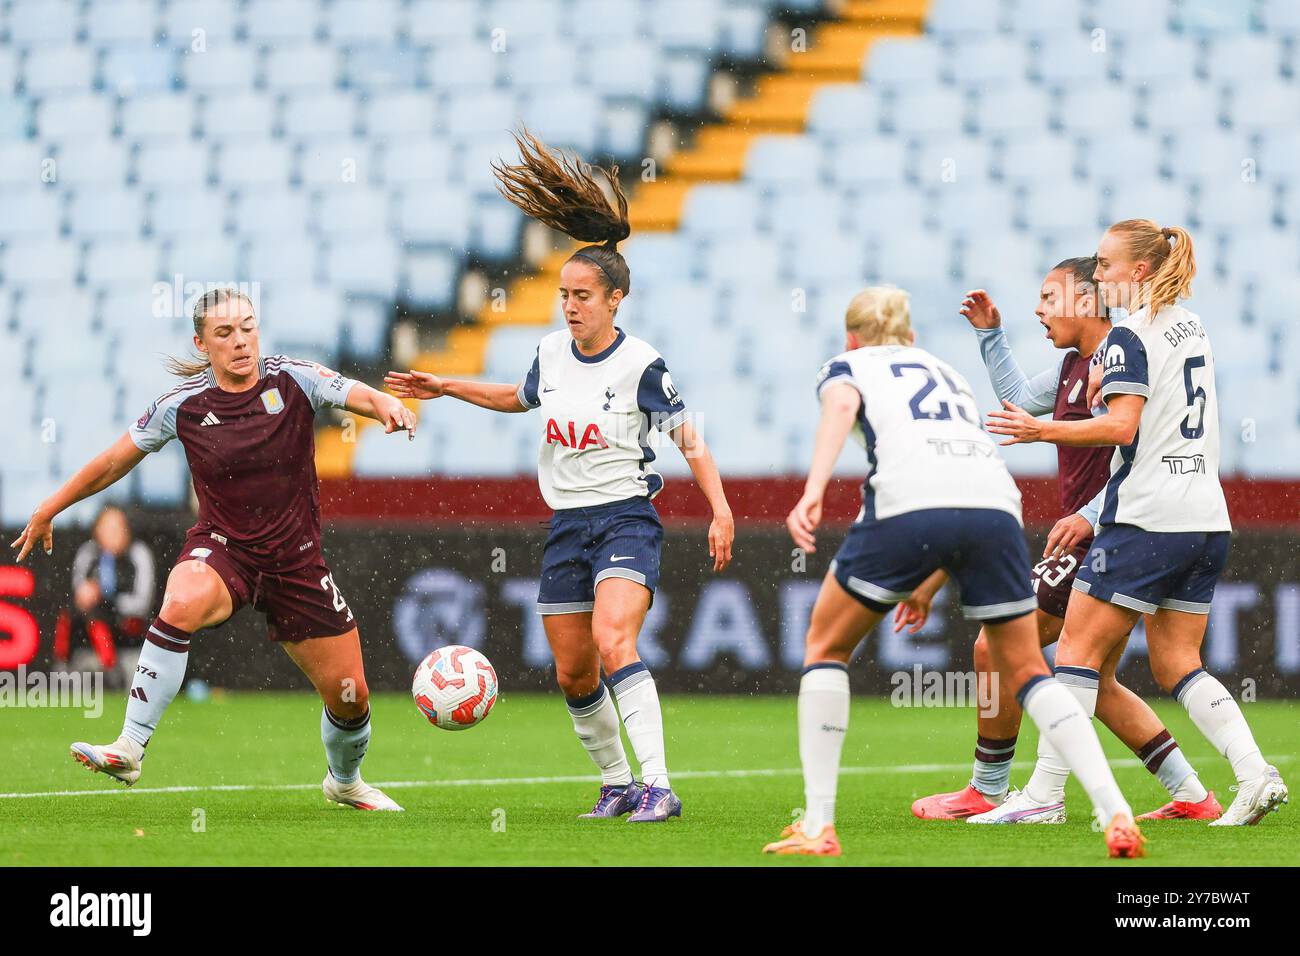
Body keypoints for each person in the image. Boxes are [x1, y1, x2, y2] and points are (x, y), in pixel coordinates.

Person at [386, 129, 734, 823]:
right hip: (567, 524)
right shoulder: (550, 352)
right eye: (565, 294)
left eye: (583, 295)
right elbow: (518, 398)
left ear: (614, 300)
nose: (570, 305)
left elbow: (688, 437)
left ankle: (659, 785)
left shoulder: (642, 365)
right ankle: (616, 784)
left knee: (614, 642)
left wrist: (720, 510)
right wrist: (447, 385)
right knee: (573, 671)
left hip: (626, 518)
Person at [762, 285, 1145, 857]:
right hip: (996, 505)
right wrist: (930, 581)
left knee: (824, 646)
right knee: (1027, 669)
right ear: (911, 338)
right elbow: (958, 480)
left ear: (852, 337)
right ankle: (1114, 810)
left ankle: (818, 826)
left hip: (909, 502)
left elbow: (843, 409)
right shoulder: (945, 371)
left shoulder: (847, 363)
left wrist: (813, 489)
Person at [11, 287, 418, 811]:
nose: (241, 341)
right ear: (202, 343)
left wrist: (387, 404)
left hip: (296, 561)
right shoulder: (180, 406)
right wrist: (50, 507)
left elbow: (353, 393)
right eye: (225, 333)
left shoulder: (292, 378)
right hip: (225, 549)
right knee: (179, 602)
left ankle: (344, 780)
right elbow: (113, 462)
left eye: (248, 327)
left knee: (350, 697)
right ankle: (130, 746)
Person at [987, 219, 1288, 827]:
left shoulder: (1128, 333)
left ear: (1140, 271)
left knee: (1073, 652)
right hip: (1206, 515)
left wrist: (1041, 429)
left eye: (1104, 265)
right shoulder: (1188, 322)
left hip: (1147, 516)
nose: (1097, 277)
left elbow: (1122, 427)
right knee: (1177, 663)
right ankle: (1256, 776)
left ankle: (1044, 795)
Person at [905, 258, 1218, 823]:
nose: (1039, 309)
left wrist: (1092, 515)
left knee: (995, 644)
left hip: (1112, 532)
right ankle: (1194, 795)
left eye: (1050, 297)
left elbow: (1136, 449)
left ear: (1087, 300)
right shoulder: (1076, 366)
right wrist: (990, 337)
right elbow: (1018, 403)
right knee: (1094, 676)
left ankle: (989, 787)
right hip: (1108, 532)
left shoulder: (1121, 361)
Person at [56, 505, 156, 690]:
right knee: (73, 612)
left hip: (128, 623)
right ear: (97, 531)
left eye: (118, 527)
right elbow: (79, 591)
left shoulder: (138, 554)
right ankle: (63, 663)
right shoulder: (89, 552)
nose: (113, 534)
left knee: (99, 613)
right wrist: (90, 594)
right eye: (107, 528)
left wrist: (110, 601)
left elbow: (142, 602)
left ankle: (111, 669)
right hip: (94, 623)